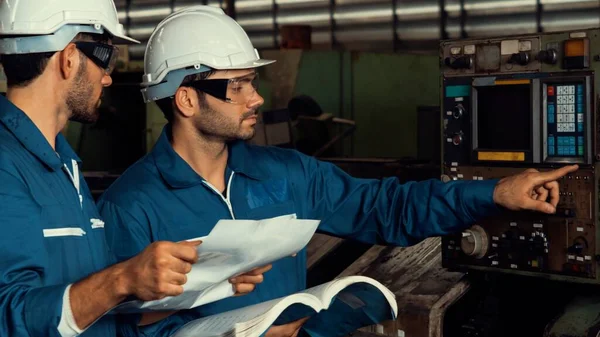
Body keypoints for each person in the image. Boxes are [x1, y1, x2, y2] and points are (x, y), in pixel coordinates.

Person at [96, 5, 579, 337]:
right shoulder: (130, 208)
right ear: (185, 98)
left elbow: (387, 207)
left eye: (253, 82)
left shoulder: (288, 175)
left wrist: (493, 194)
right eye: (238, 86)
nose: (257, 98)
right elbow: (116, 326)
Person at [0, 1, 269, 337]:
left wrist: (212, 283)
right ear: (69, 59)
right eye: (105, 59)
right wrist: (122, 278)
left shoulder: (63, 165)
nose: (109, 77)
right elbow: (7, 315)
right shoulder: (6, 164)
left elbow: (99, 313)